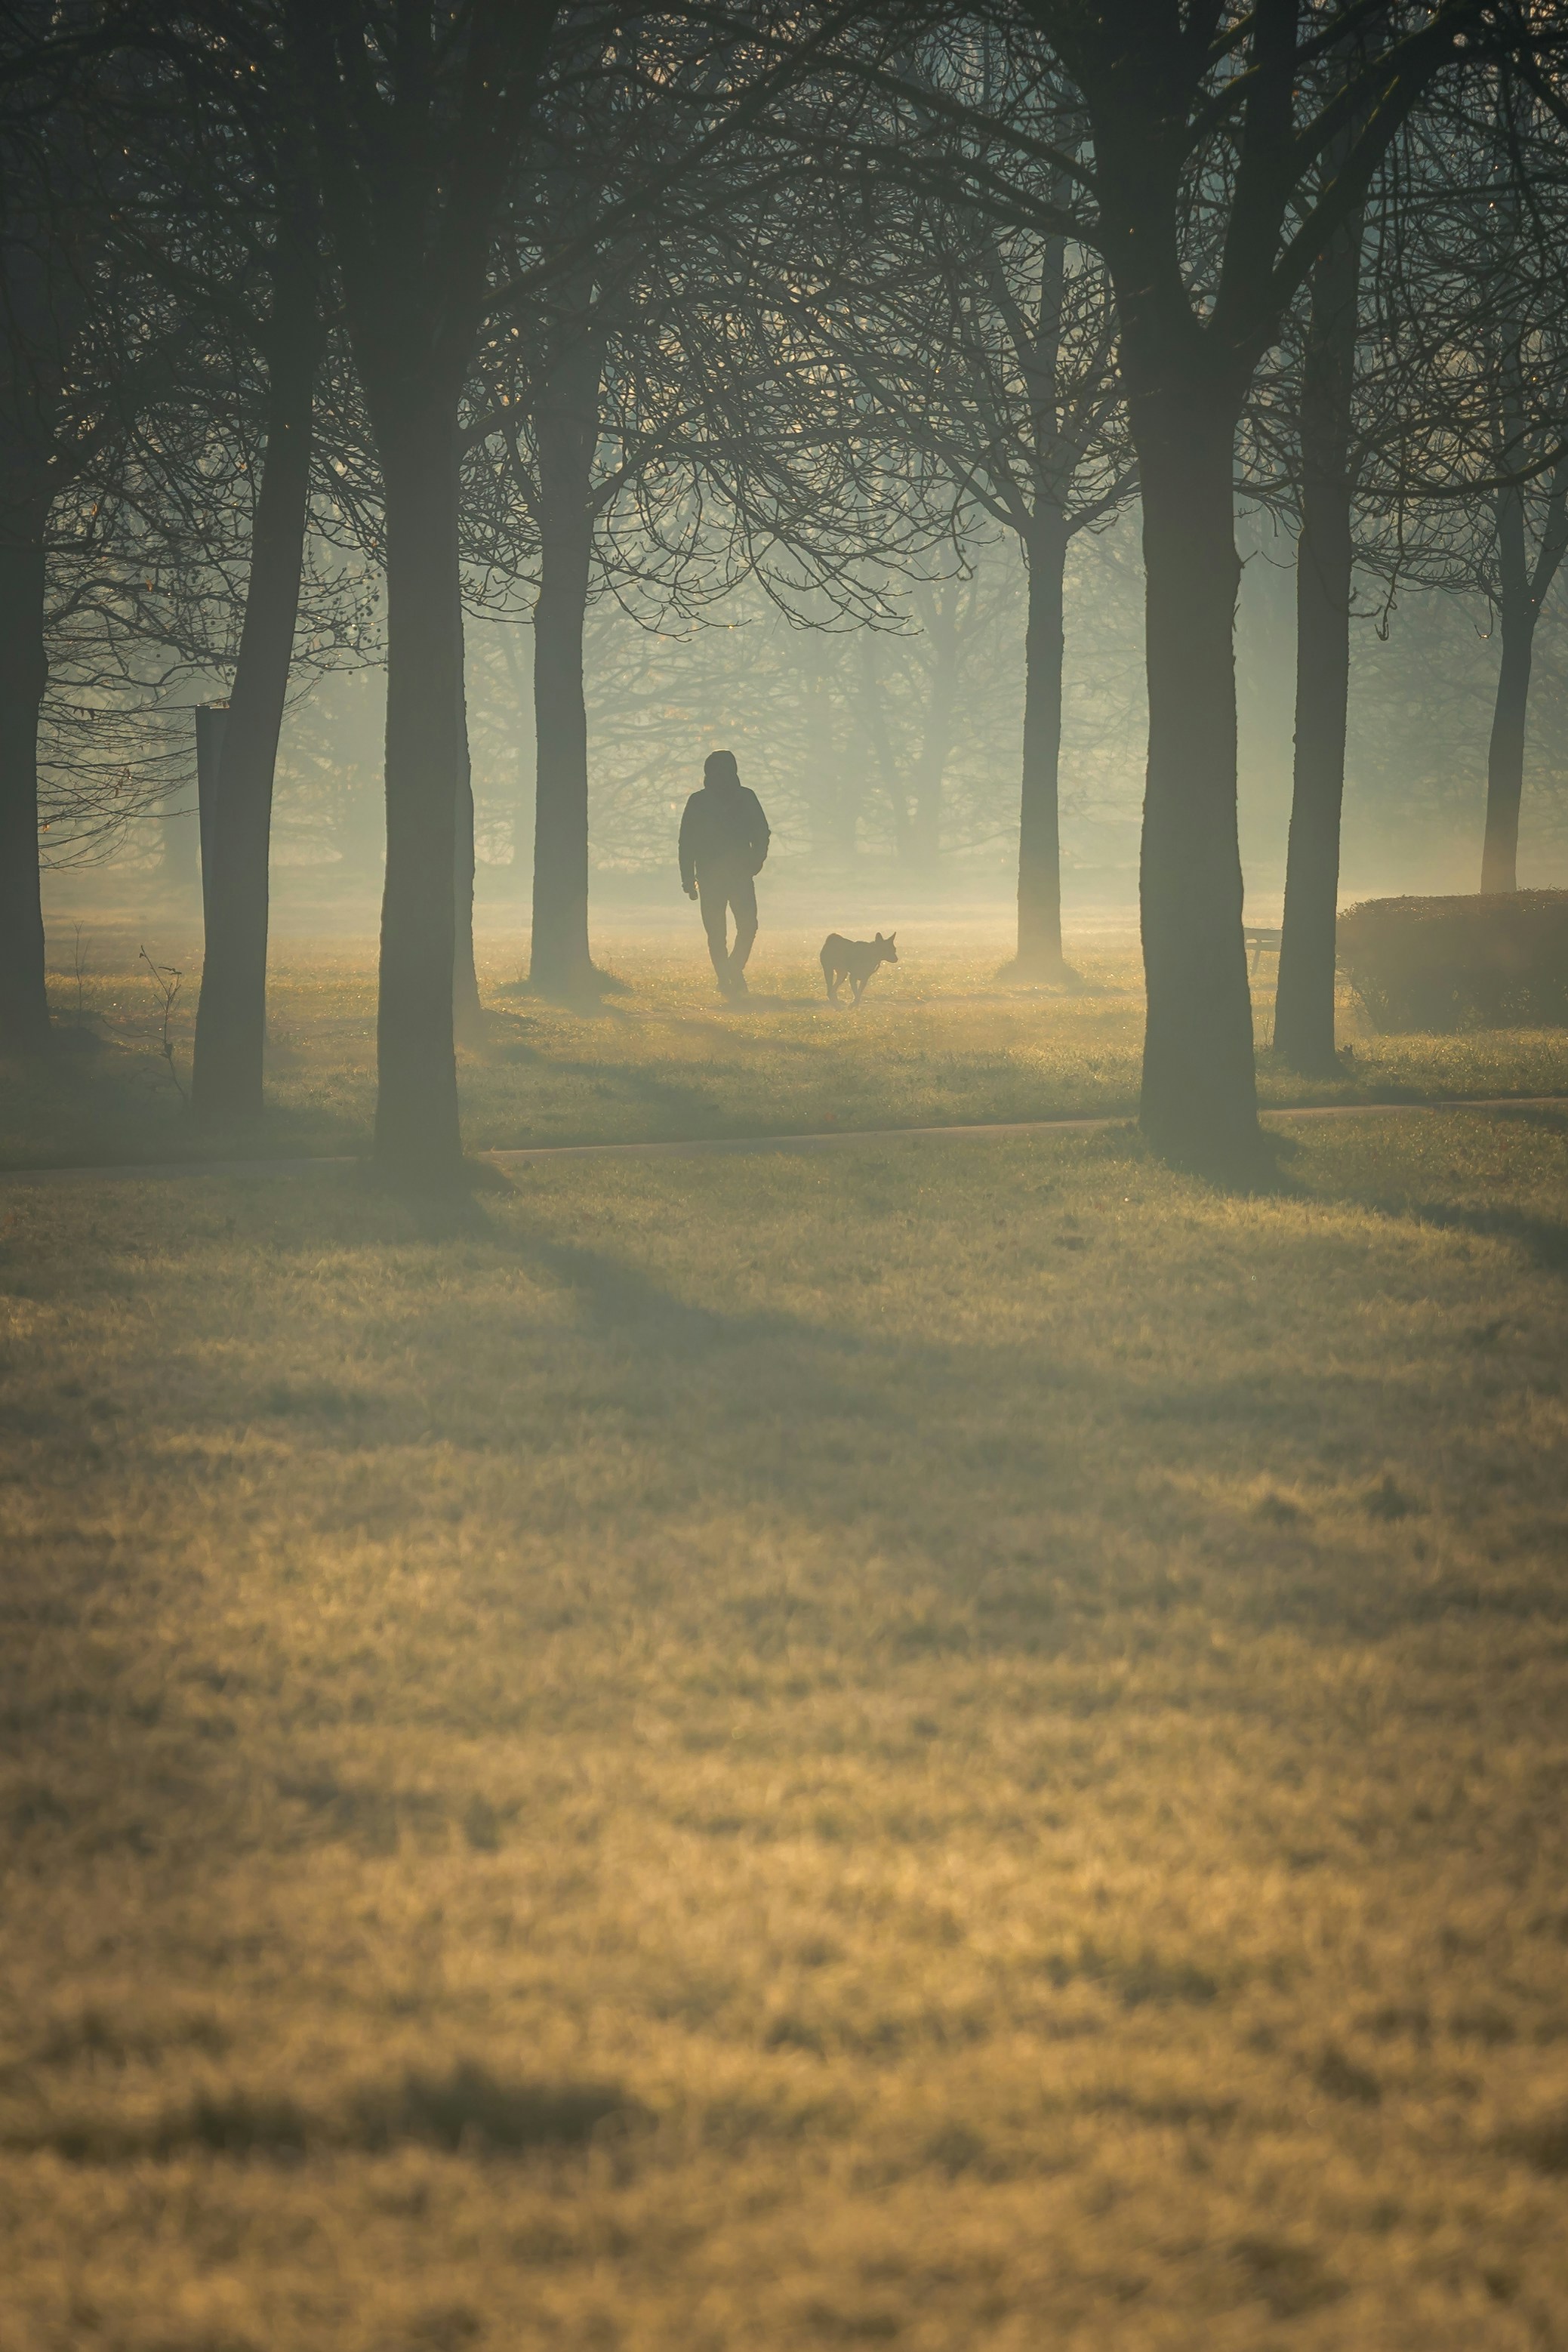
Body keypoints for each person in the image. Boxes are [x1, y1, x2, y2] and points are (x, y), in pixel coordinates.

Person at [679, 750, 770, 997]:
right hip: (720, 876)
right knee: (723, 931)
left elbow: (761, 832)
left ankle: (730, 972)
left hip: (727, 875)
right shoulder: (709, 800)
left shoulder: (709, 800)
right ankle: (729, 976)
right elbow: (686, 841)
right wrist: (688, 878)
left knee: (740, 928)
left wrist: (756, 862)